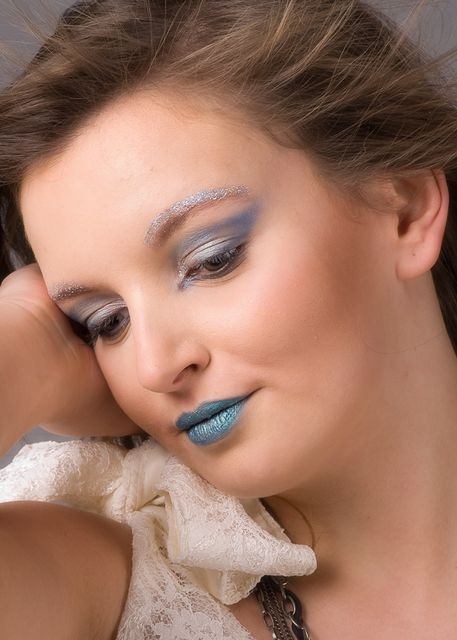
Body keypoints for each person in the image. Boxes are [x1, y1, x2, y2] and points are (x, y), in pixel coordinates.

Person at [0, 0, 456, 638]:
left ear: (403, 207)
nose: (155, 366)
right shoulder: (97, 588)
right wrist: (22, 343)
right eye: (105, 322)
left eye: (212, 260)